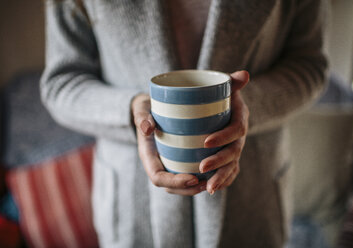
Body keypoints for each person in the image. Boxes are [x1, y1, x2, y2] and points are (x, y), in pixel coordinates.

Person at [41, 0, 328, 247]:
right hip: (133, 204)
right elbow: (61, 84)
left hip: (253, 200)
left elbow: (310, 65)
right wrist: (131, 110)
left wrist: (246, 103)